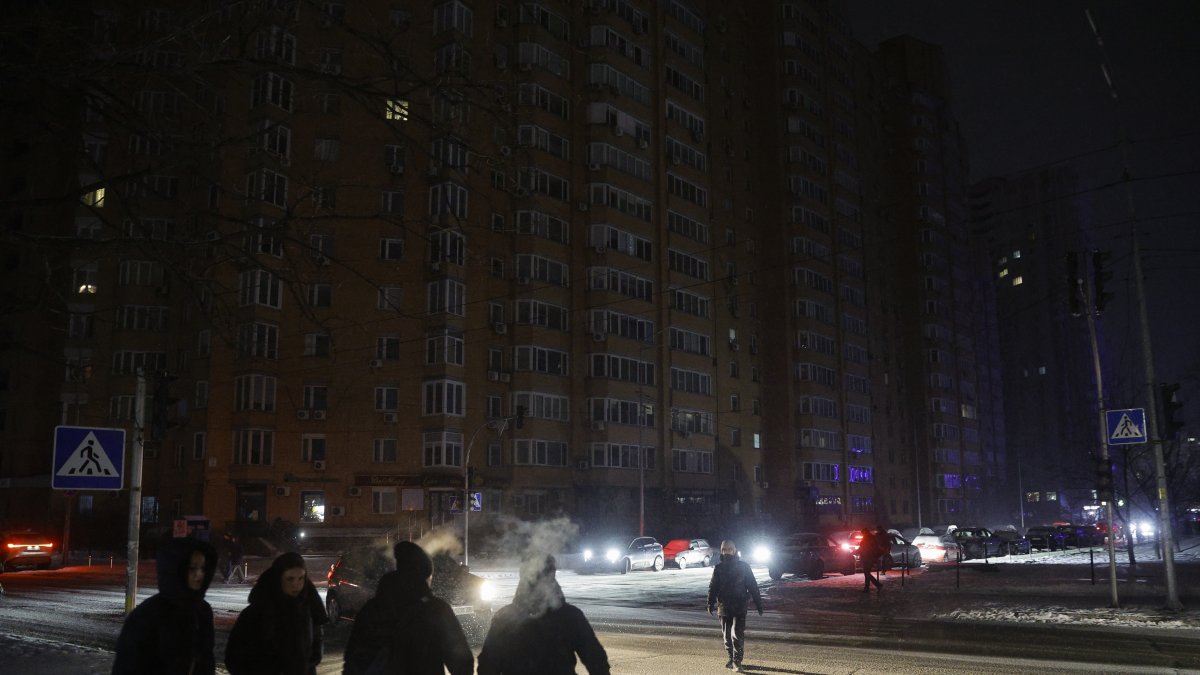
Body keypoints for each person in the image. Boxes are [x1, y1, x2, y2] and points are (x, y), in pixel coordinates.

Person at [343, 541, 474, 675]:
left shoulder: (372, 609)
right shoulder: (436, 610)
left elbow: (353, 658)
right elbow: (461, 661)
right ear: (426, 576)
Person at [478, 554, 610, 675]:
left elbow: (487, 665)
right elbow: (597, 661)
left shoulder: (505, 617)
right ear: (552, 575)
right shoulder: (570, 615)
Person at [112, 536, 218, 675]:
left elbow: (206, 660)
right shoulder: (147, 615)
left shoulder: (202, 611)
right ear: (175, 570)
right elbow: (128, 666)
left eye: (203, 568)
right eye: (192, 568)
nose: (200, 575)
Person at [225, 551, 328, 675]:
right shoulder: (256, 613)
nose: (296, 585)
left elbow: (316, 642)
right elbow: (235, 657)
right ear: (278, 578)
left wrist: (309, 662)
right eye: (290, 579)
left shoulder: (310, 608)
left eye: (301, 578)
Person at [706, 540, 763, 672]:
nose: (727, 552)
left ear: (734, 550)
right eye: (725, 550)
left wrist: (759, 603)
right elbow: (713, 587)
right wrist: (710, 602)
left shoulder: (743, 567)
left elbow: (753, 586)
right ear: (722, 551)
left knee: (737, 634)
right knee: (727, 636)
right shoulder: (719, 569)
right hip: (724, 607)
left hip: (739, 606)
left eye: (730, 549)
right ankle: (731, 658)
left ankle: (737, 661)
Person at [858, 527, 883, 592]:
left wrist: (857, 552)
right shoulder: (870, 537)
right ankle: (869, 587)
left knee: (867, 573)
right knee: (867, 573)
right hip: (870, 557)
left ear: (865, 532)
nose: (862, 535)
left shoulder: (868, 538)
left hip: (868, 557)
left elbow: (864, 548)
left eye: (863, 533)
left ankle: (875, 585)